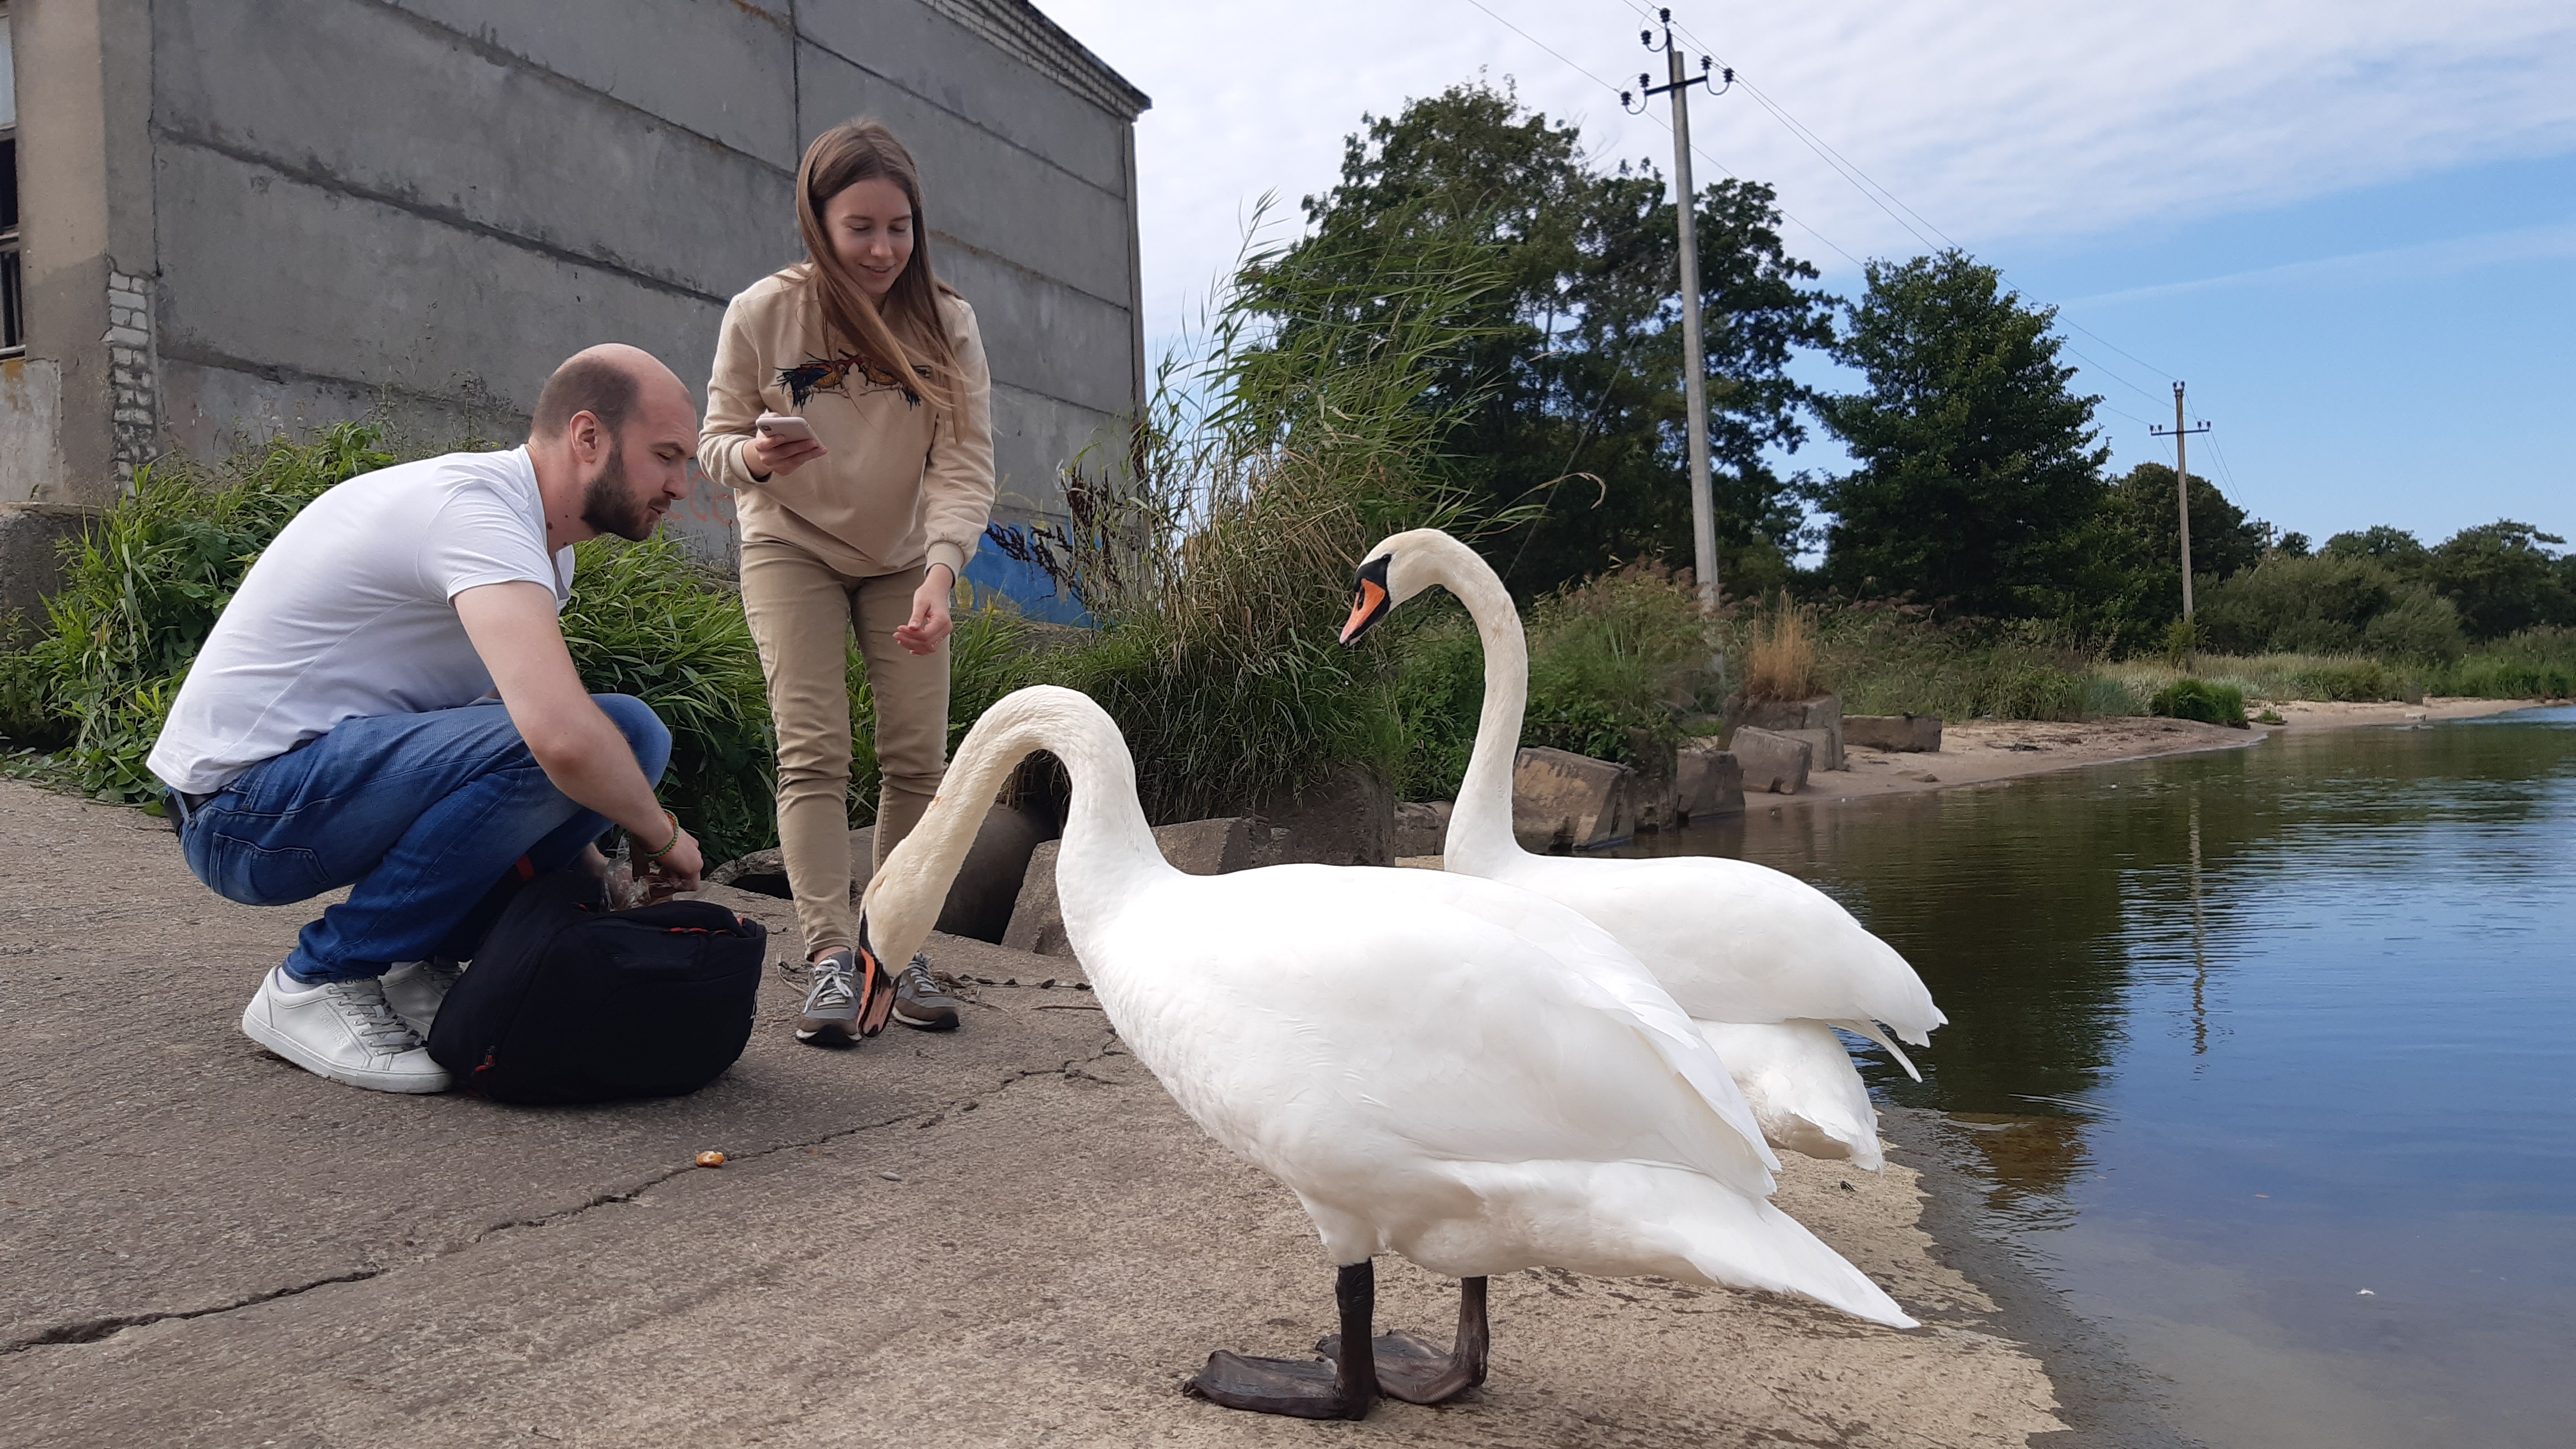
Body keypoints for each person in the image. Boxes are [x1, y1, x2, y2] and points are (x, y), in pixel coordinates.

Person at [147, 345, 707, 1095]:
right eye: (666, 457)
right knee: (623, 736)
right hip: (240, 814)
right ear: (588, 437)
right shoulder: (476, 515)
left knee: (614, 745)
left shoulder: (541, 548)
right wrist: (659, 835)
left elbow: (489, 750)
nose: (679, 486)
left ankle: (421, 967)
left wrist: (596, 869)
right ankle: (318, 982)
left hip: (305, 792)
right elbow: (557, 738)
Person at [699, 120, 995, 1045]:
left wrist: (942, 572)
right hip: (791, 543)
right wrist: (754, 455)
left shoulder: (946, 322)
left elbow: (965, 462)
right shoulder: (762, 314)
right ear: (817, 222)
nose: (881, 248)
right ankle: (831, 957)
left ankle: (895, 950)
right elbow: (712, 442)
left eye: (898, 227)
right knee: (812, 750)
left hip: (908, 553)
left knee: (919, 761)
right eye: (859, 227)